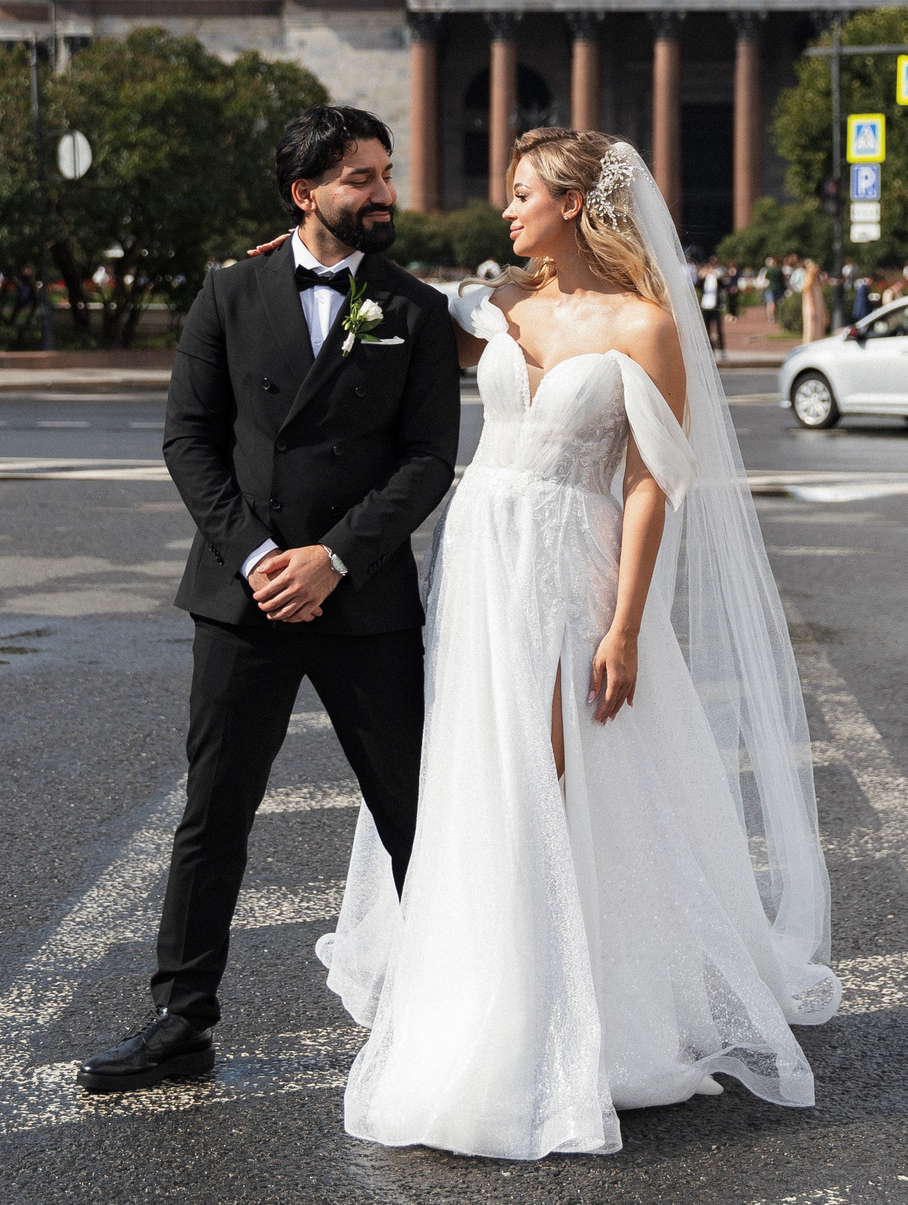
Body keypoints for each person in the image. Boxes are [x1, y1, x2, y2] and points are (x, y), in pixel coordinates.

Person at [316, 130, 835, 1158]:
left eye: (522, 195)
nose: (505, 211)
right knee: (482, 775)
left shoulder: (645, 327)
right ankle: (486, 998)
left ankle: (581, 1013)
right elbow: (391, 304)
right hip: (482, 559)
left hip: (572, 564)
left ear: (576, 205)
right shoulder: (501, 305)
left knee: (555, 774)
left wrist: (626, 626)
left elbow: (650, 481)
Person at [78, 107, 462, 1095]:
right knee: (215, 812)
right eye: (360, 180)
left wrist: (333, 556)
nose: (384, 194)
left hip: (362, 595)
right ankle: (180, 1022)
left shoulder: (414, 309)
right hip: (245, 600)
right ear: (305, 195)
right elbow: (188, 442)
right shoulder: (226, 294)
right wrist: (257, 556)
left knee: (414, 811)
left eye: (386, 175)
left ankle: (462, 1014)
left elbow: (427, 461)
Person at [699, 257, 726, 350]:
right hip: (706, 305)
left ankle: (722, 350)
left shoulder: (717, 277)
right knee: (707, 330)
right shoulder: (704, 278)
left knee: (719, 329)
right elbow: (698, 285)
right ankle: (710, 350)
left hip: (715, 306)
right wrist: (702, 276)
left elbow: (724, 285)